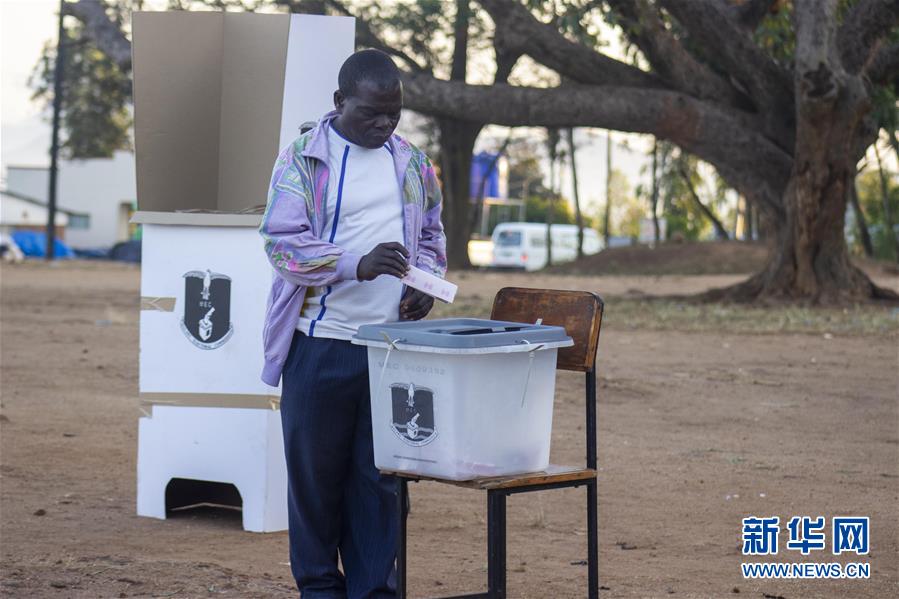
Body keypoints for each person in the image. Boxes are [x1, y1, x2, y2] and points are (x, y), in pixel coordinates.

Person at [259, 49, 446, 598]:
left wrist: (424, 284)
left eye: (394, 114)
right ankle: (318, 590)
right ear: (340, 102)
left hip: (389, 352)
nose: (384, 124)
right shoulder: (302, 159)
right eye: (371, 113)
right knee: (316, 484)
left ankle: (374, 593)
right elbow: (281, 243)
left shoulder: (412, 162)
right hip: (319, 347)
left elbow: (431, 236)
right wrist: (353, 264)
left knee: (380, 483)